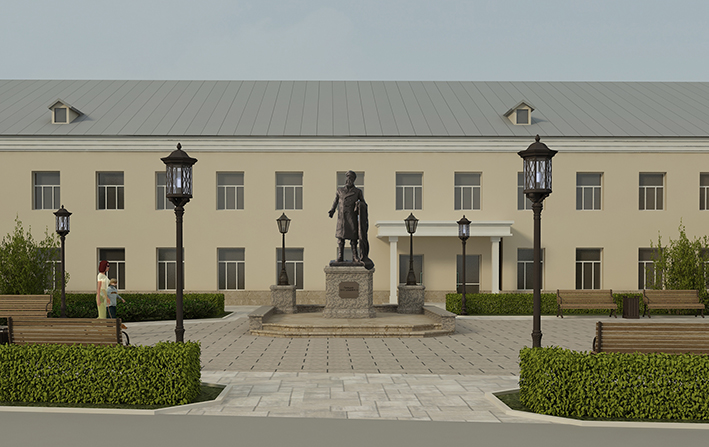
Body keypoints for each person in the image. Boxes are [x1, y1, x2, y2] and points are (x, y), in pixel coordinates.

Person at [328, 170, 367, 263]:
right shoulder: (340, 191)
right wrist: (332, 210)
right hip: (342, 218)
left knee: (353, 239)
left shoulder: (357, 192)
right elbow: (335, 201)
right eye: (348, 178)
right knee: (341, 238)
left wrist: (359, 204)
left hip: (351, 217)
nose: (349, 180)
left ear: (353, 180)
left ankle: (355, 256)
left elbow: (364, 204)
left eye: (351, 178)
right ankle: (340, 256)